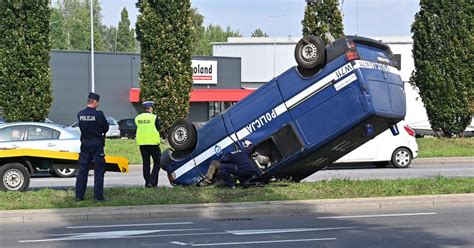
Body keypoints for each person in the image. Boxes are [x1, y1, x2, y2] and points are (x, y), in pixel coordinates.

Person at [75, 92, 109, 202]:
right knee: (99, 170)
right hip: (96, 144)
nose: (98, 104)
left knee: (82, 170)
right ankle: (98, 197)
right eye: (97, 102)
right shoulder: (99, 114)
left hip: (84, 144)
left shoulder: (80, 114)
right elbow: (106, 128)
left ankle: (79, 196)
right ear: (94, 102)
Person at [135, 101, 161, 188]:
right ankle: (152, 181)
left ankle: (148, 182)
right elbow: (159, 128)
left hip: (142, 143)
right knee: (158, 162)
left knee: (146, 163)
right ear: (150, 108)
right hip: (153, 143)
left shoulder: (137, 118)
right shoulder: (154, 117)